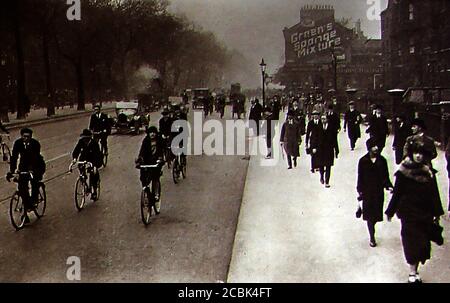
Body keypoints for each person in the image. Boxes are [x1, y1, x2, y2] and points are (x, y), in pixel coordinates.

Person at [385, 143, 444, 283]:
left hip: (425, 214)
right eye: (416, 153)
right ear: (411, 154)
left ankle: (415, 269)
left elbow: (434, 194)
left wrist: (437, 213)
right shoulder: (403, 172)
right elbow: (397, 193)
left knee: (422, 244)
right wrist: (390, 211)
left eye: (421, 153)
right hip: (408, 214)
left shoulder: (428, 172)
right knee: (411, 243)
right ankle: (412, 272)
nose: (418, 156)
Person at [356, 137, 393, 248]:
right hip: (367, 192)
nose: (376, 148)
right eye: (373, 146)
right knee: (369, 217)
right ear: (369, 148)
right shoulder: (363, 161)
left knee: (376, 216)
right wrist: (360, 190)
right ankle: (372, 236)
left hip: (378, 192)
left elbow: (385, 176)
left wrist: (389, 186)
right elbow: (360, 177)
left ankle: (372, 229)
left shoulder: (382, 161)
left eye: (377, 146)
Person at [7, 128, 45, 223]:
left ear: (31, 137)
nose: (26, 138)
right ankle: (25, 212)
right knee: (22, 188)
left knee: (34, 181)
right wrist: (12, 171)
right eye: (24, 136)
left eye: (28, 137)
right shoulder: (18, 143)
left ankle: (34, 200)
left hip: (36, 165)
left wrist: (31, 170)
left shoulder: (35, 144)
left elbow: (35, 157)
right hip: (24, 165)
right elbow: (14, 157)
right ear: (21, 136)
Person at [71, 129, 103, 200]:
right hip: (83, 160)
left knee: (93, 174)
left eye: (86, 138)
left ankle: (94, 191)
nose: (85, 140)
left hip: (92, 160)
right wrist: (75, 158)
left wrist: (95, 165)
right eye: (84, 138)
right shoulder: (81, 142)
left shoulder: (94, 143)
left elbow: (98, 155)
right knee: (81, 170)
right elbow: (76, 151)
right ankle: (84, 182)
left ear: (89, 138)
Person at [136, 126, 164, 203]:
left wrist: (160, 159)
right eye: (150, 133)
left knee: (155, 178)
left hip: (156, 162)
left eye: (154, 132)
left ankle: (156, 193)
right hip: (147, 162)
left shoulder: (159, 140)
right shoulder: (145, 141)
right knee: (143, 178)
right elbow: (142, 151)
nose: (152, 134)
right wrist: (140, 159)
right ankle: (146, 191)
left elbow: (161, 151)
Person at [317, 115, 339, 188]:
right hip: (320, 149)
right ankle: (321, 176)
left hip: (329, 149)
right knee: (321, 165)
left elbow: (335, 139)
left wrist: (336, 150)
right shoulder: (318, 127)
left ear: (327, 120)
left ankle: (327, 181)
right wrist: (313, 147)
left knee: (328, 165)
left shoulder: (332, 128)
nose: (323, 120)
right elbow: (315, 138)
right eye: (322, 119)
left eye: (324, 119)